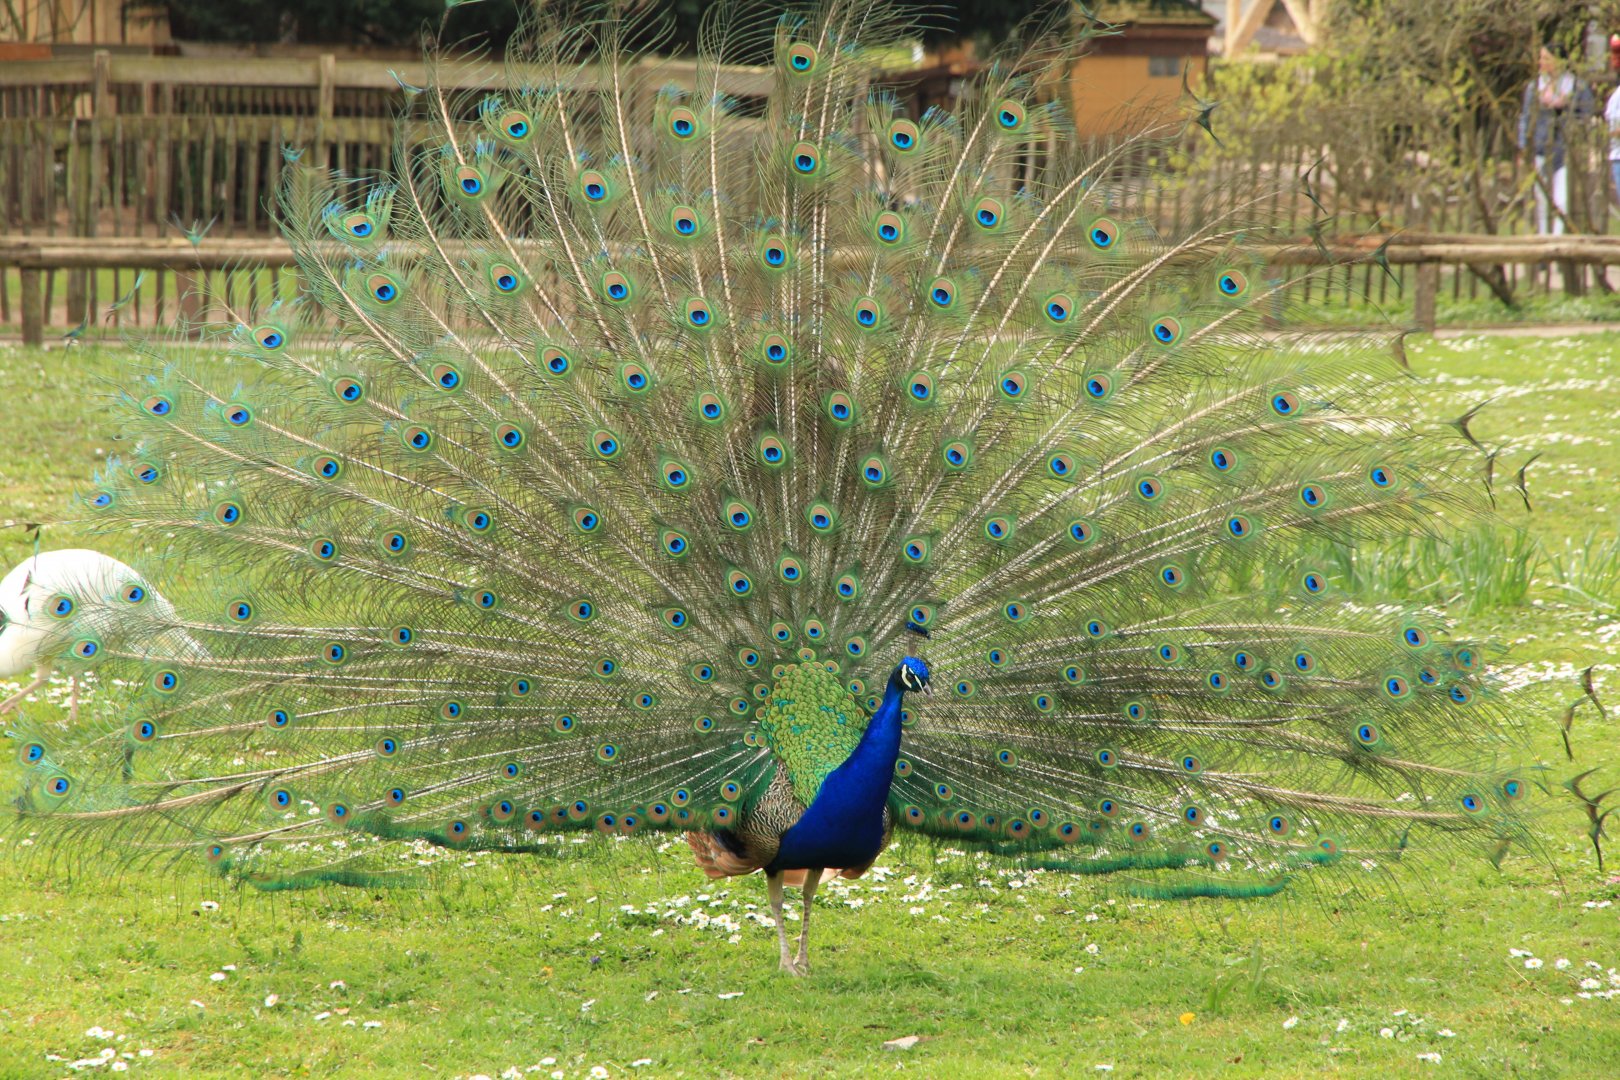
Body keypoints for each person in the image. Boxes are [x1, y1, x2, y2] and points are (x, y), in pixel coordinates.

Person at [1518, 46, 1592, 235]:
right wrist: (1523, 147)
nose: (1541, 62)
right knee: (1541, 198)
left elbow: (1586, 115)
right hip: (1540, 147)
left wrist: (1566, 107)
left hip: (1565, 150)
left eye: (1546, 58)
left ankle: (1558, 237)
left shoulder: (1577, 86)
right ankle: (1544, 237)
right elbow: (1525, 117)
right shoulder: (1534, 87)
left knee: (1562, 199)